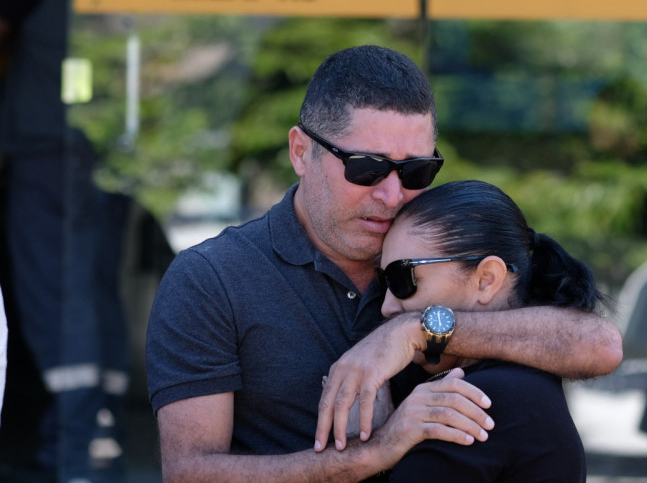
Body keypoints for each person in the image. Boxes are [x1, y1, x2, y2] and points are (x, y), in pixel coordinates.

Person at [145, 45, 623, 483]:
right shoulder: (211, 279)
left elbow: (598, 346)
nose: (392, 195)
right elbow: (189, 474)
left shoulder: (436, 252)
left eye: (415, 171)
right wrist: (368, 456)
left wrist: (415, 330)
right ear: (300, 152)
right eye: (366, 168)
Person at [0, 0, 130, 482]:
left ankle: (75, 446)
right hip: (111, 159)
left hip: (47, 151)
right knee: (94, 292)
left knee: (55, 296)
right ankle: (94, 432)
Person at [378, 179, 604, 481]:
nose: (386, 306)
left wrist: (367, 447)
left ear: (486, 279)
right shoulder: (519, 386)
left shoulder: (477, 399)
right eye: (383, 281)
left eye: (401, 279)